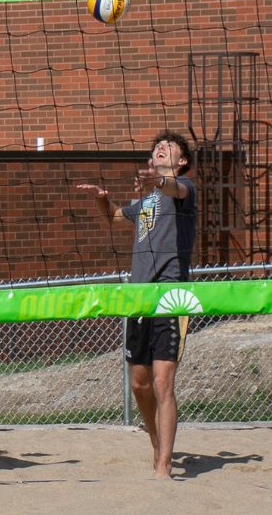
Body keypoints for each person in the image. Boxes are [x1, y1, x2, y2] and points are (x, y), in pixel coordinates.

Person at [74, 131, 197, 480]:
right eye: (157, 147)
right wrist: (101, 199)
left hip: (169, 295)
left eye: (169, 147)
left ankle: (164, 465)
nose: (160, 147)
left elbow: (175, 189)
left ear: (182, 160)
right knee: (140, 385)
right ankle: (157, 443)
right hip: (138, 297)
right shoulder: (145, 204)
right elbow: (113, 217)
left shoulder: (183, 189)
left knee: (162, 383)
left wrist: (160, 180)